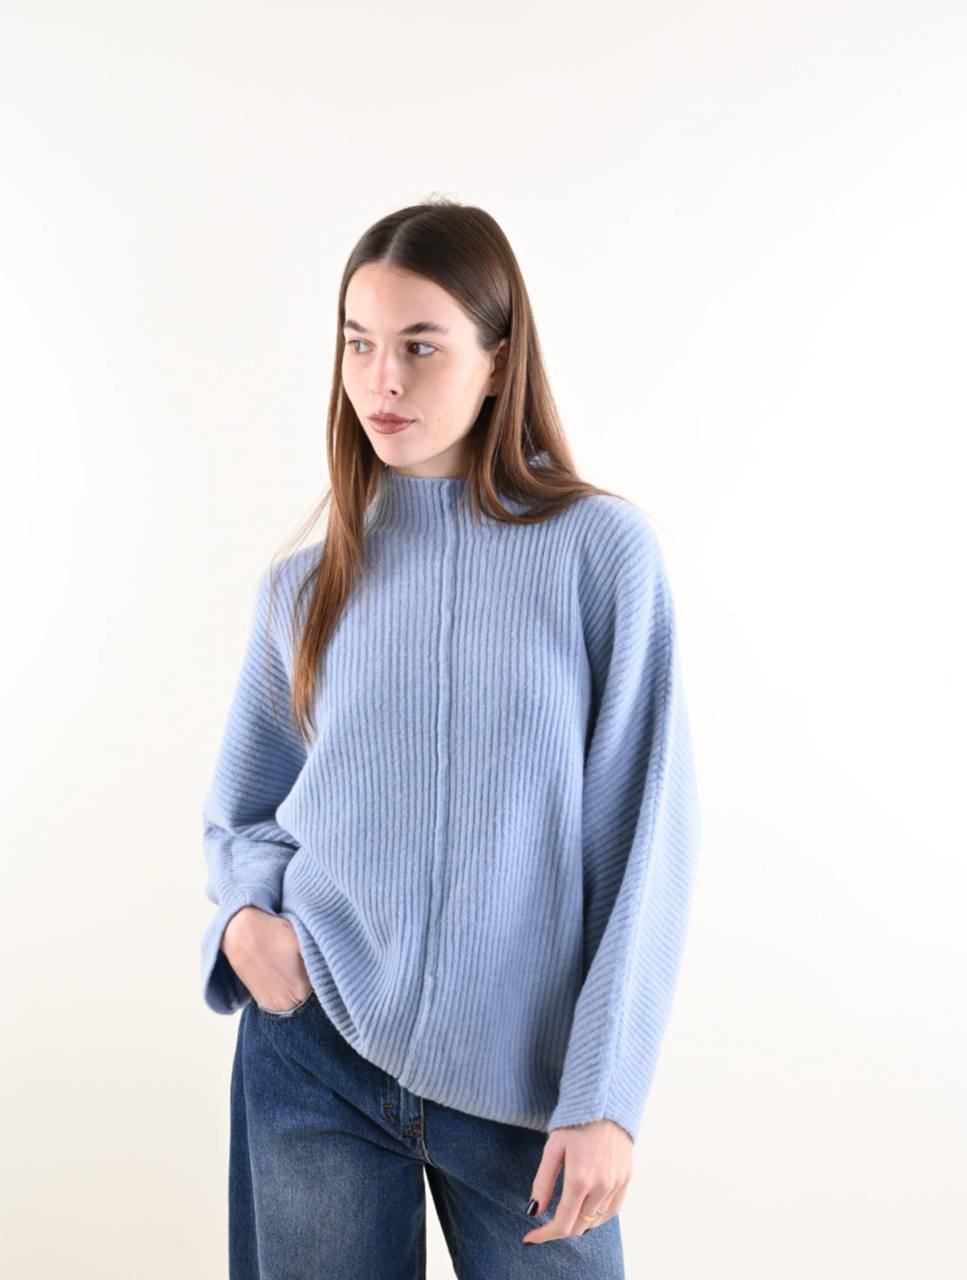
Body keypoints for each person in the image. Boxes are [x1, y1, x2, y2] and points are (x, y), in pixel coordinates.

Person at [200, 198, 702, 1278]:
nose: (382, 380)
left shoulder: (600, 555)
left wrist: (605, 1097)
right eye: (359, 344)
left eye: (419, 346)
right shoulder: (305, 585)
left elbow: (645, 844)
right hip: (314, 1056)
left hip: (528, 1094)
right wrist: (243, 920)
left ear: (497, 358)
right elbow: (244, 814)